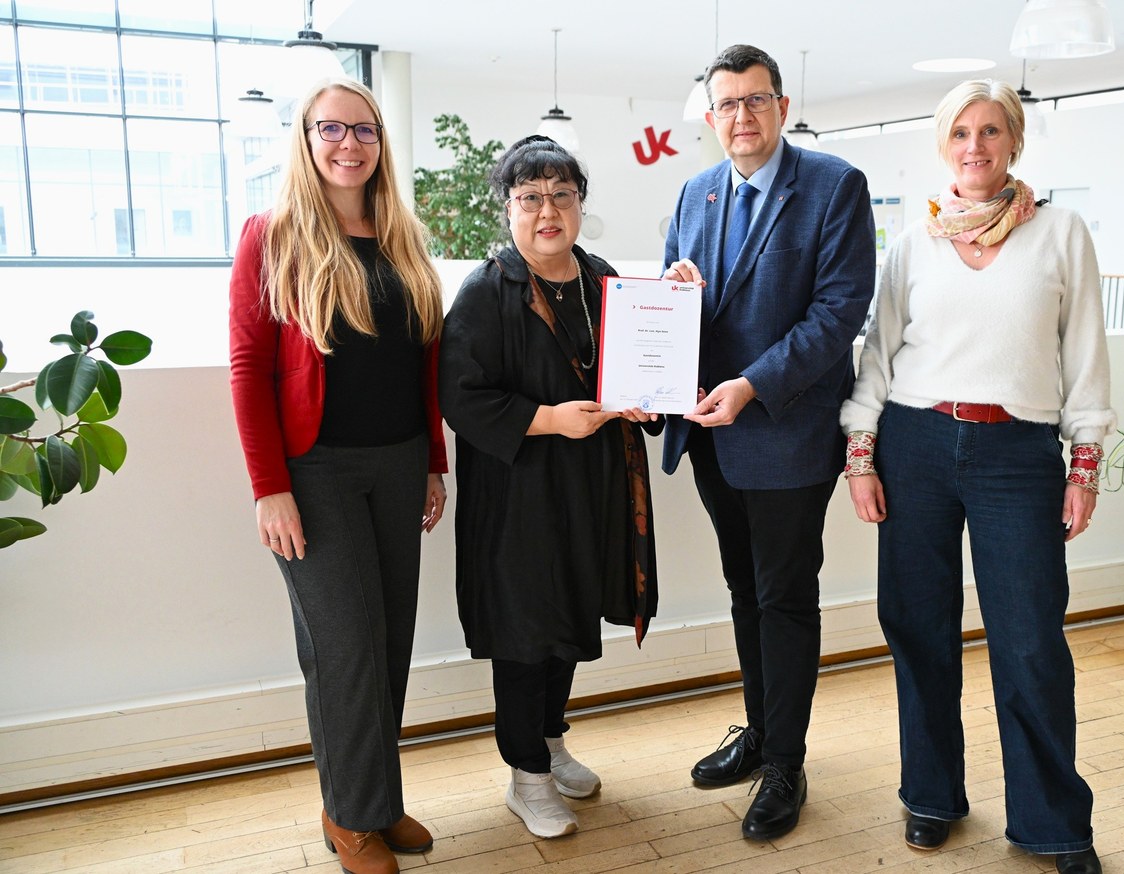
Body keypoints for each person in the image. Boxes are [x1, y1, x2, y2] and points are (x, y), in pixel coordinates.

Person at [840, 79, 1113, 874]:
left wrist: (1084, 464)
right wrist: (862, 453)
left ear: (1013, 143)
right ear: (942, 144)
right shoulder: (913, 241)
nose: (974, 145)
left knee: (1029, 643)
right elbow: (878, 354)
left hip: (1016, 454)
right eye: (959, 131)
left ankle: (1051, 823)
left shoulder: (1061, 233)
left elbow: (1087, 356)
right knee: (918, 630)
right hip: (913, 444)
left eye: (990, 131)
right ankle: (929, 794)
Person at [229, 78, 446, 874]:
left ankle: (374, 802)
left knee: (388, 644)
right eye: (332, 128)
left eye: (365, 129)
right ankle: (349, 815)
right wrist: (267, 486)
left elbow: (421, 362)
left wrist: (431, 461)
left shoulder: (400, 237)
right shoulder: (271, 234)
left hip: (395, 465)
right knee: (345, 647)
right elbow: (248, 369)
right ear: (307, 138)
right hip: (311, 473)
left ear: (381, 142)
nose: (349, 143)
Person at [661, 44, 877, 841]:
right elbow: (673, 301)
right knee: (743, 591)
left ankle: (786, 761)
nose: (740, 117)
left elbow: (836, 315)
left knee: (784, 596)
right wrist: (675, 301)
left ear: (781, 108)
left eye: (755, 101)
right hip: (710, 433)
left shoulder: (832, 186)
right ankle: (757, 732)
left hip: (783, 432)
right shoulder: (695, 192)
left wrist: (750, 384)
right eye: (725, 104)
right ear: (709, 115)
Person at [438, 135, 660, 840]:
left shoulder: (602, 280)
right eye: (530, 196)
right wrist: (547, 419)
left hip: (587, 486)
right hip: (518, 496)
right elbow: (462, 398)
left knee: (567, 617)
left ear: (579, 206)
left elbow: (630, 367)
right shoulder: (485, 292)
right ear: (506, 207)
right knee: (524, 630)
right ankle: (524, 774)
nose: (546, 211)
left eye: (561, 195)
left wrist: (645, 397)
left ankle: (552, 742)